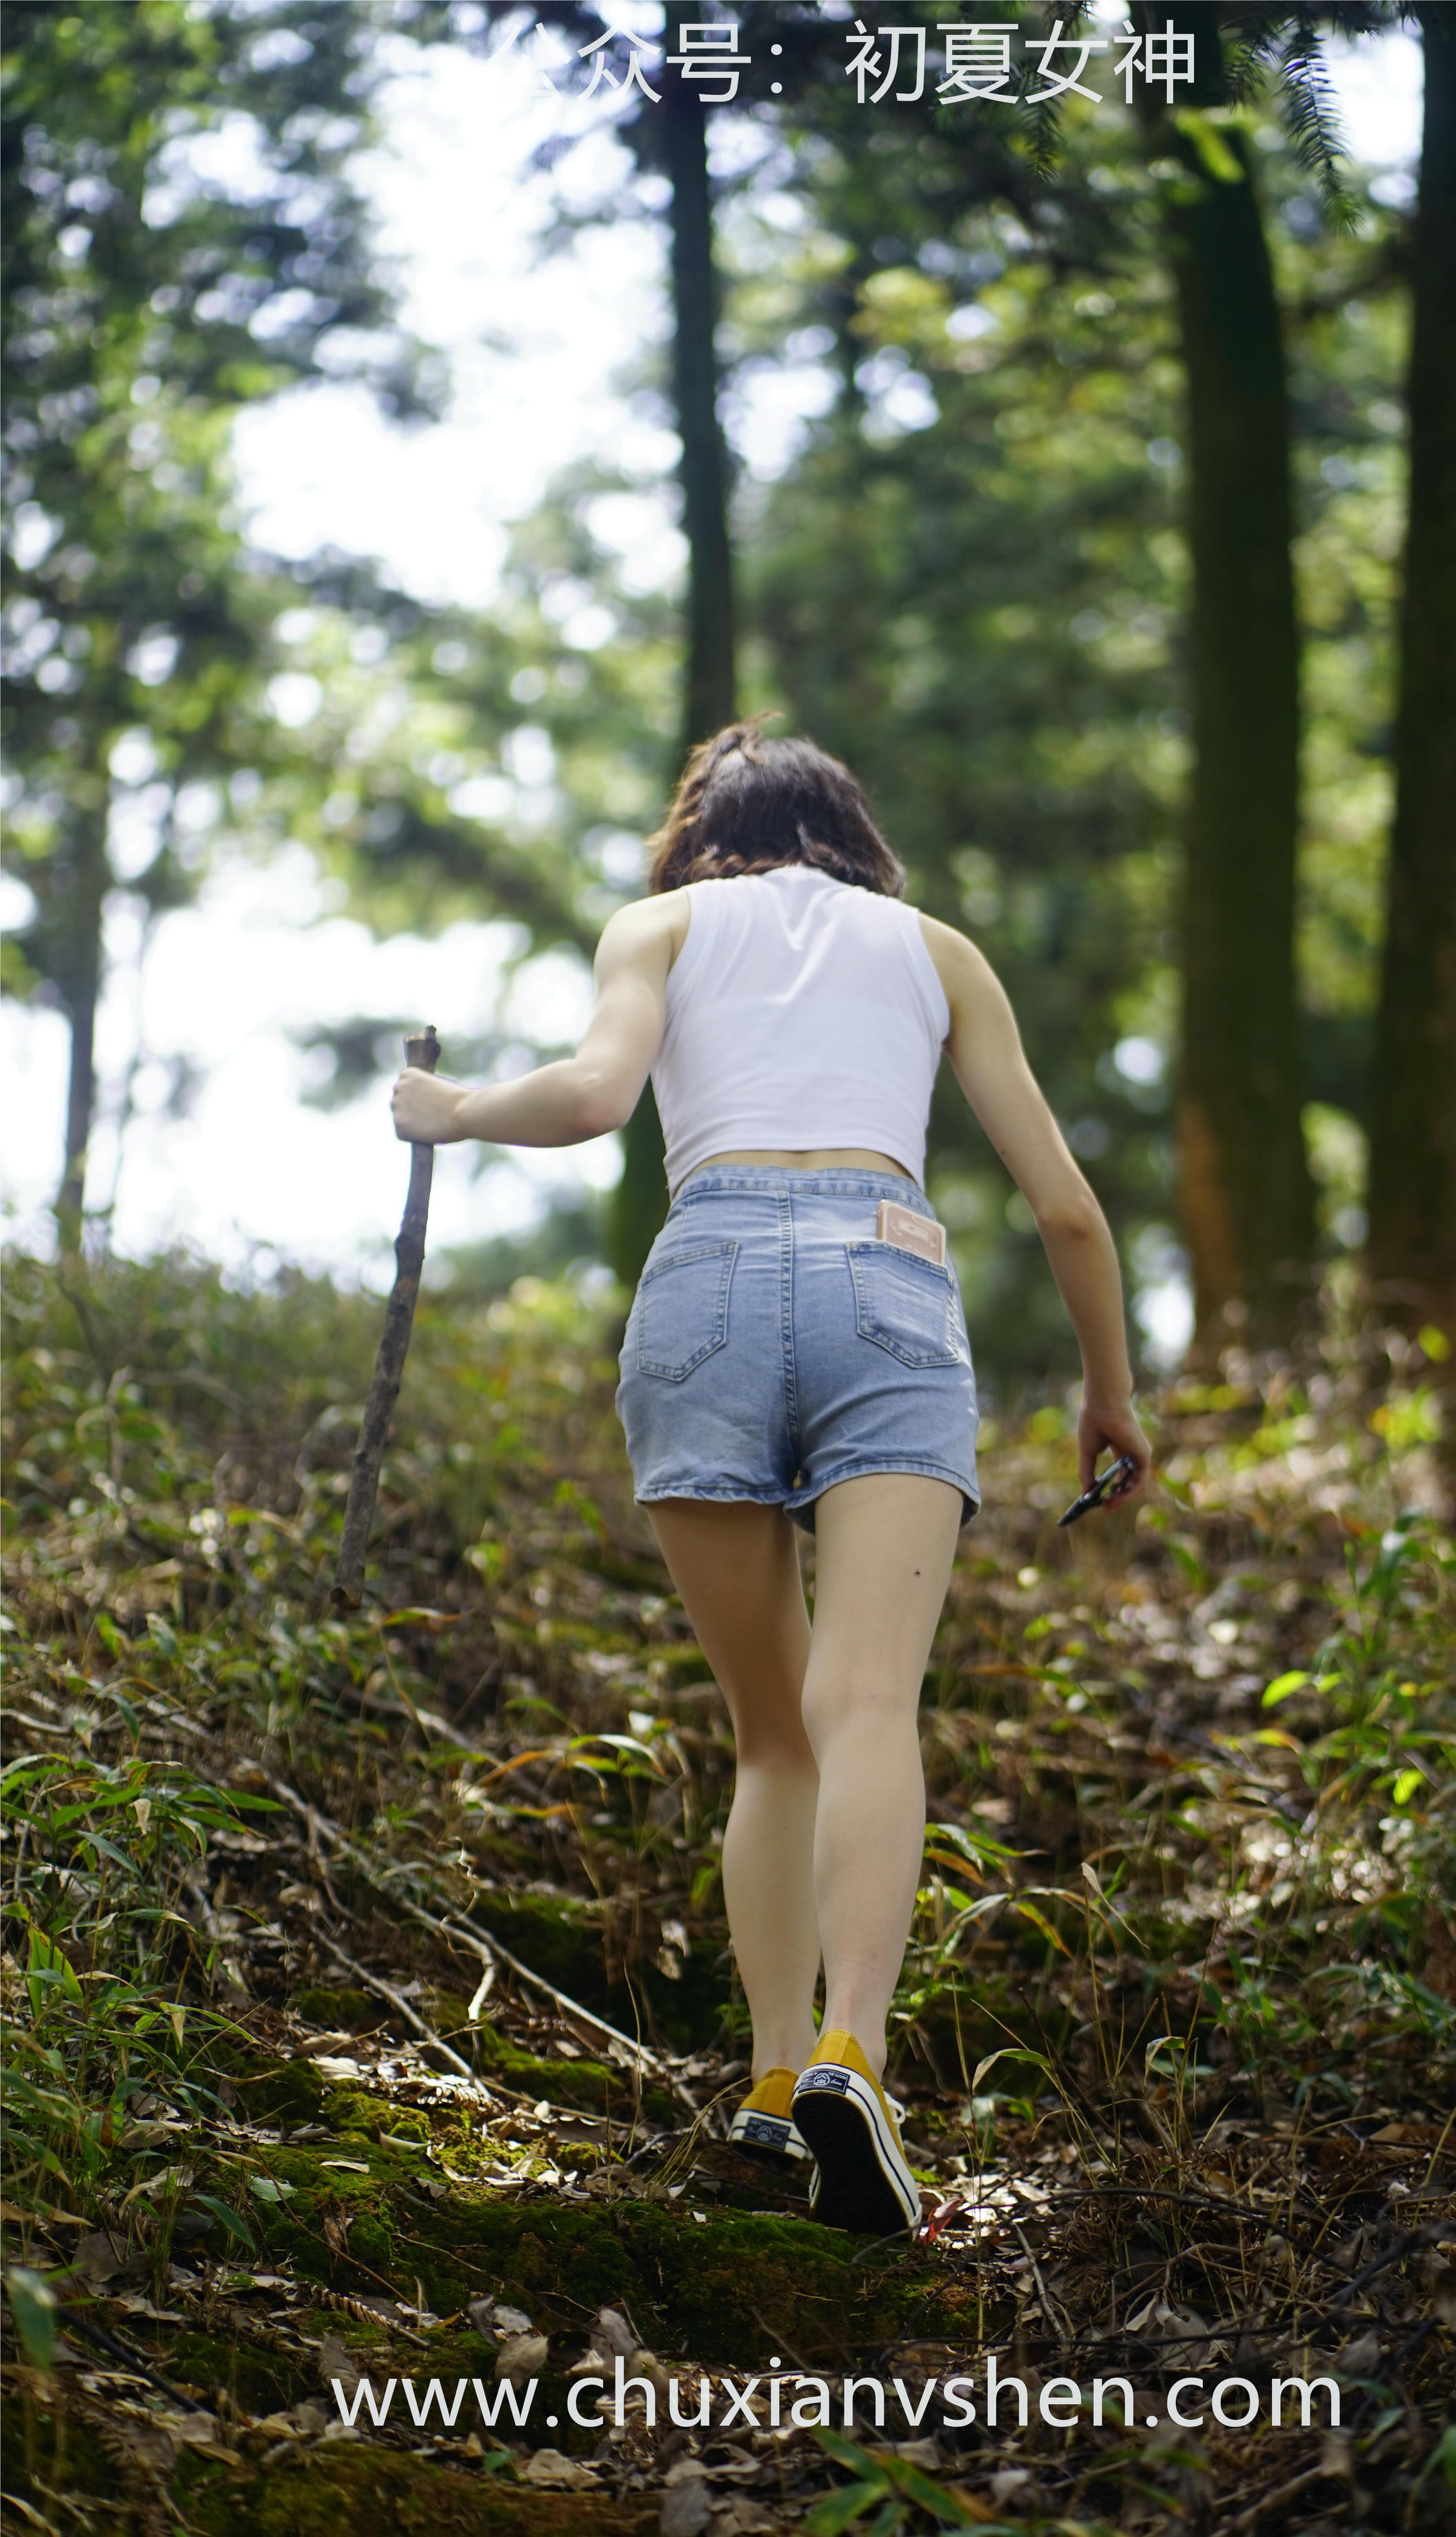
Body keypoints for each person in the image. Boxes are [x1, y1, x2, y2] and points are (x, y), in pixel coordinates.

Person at [391, 720, 1151, 2235]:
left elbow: (602, 1096)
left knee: (768, 1736)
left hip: (709, 1284)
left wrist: (456, 1112)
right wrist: (1111, 1392)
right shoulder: (936, 951)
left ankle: (764, 2080)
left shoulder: (658, 924)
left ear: (698, 837)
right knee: (865, 1702)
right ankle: (852, 2060)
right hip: (885, 1274)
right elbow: (1065, 1209)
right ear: (852, 834)